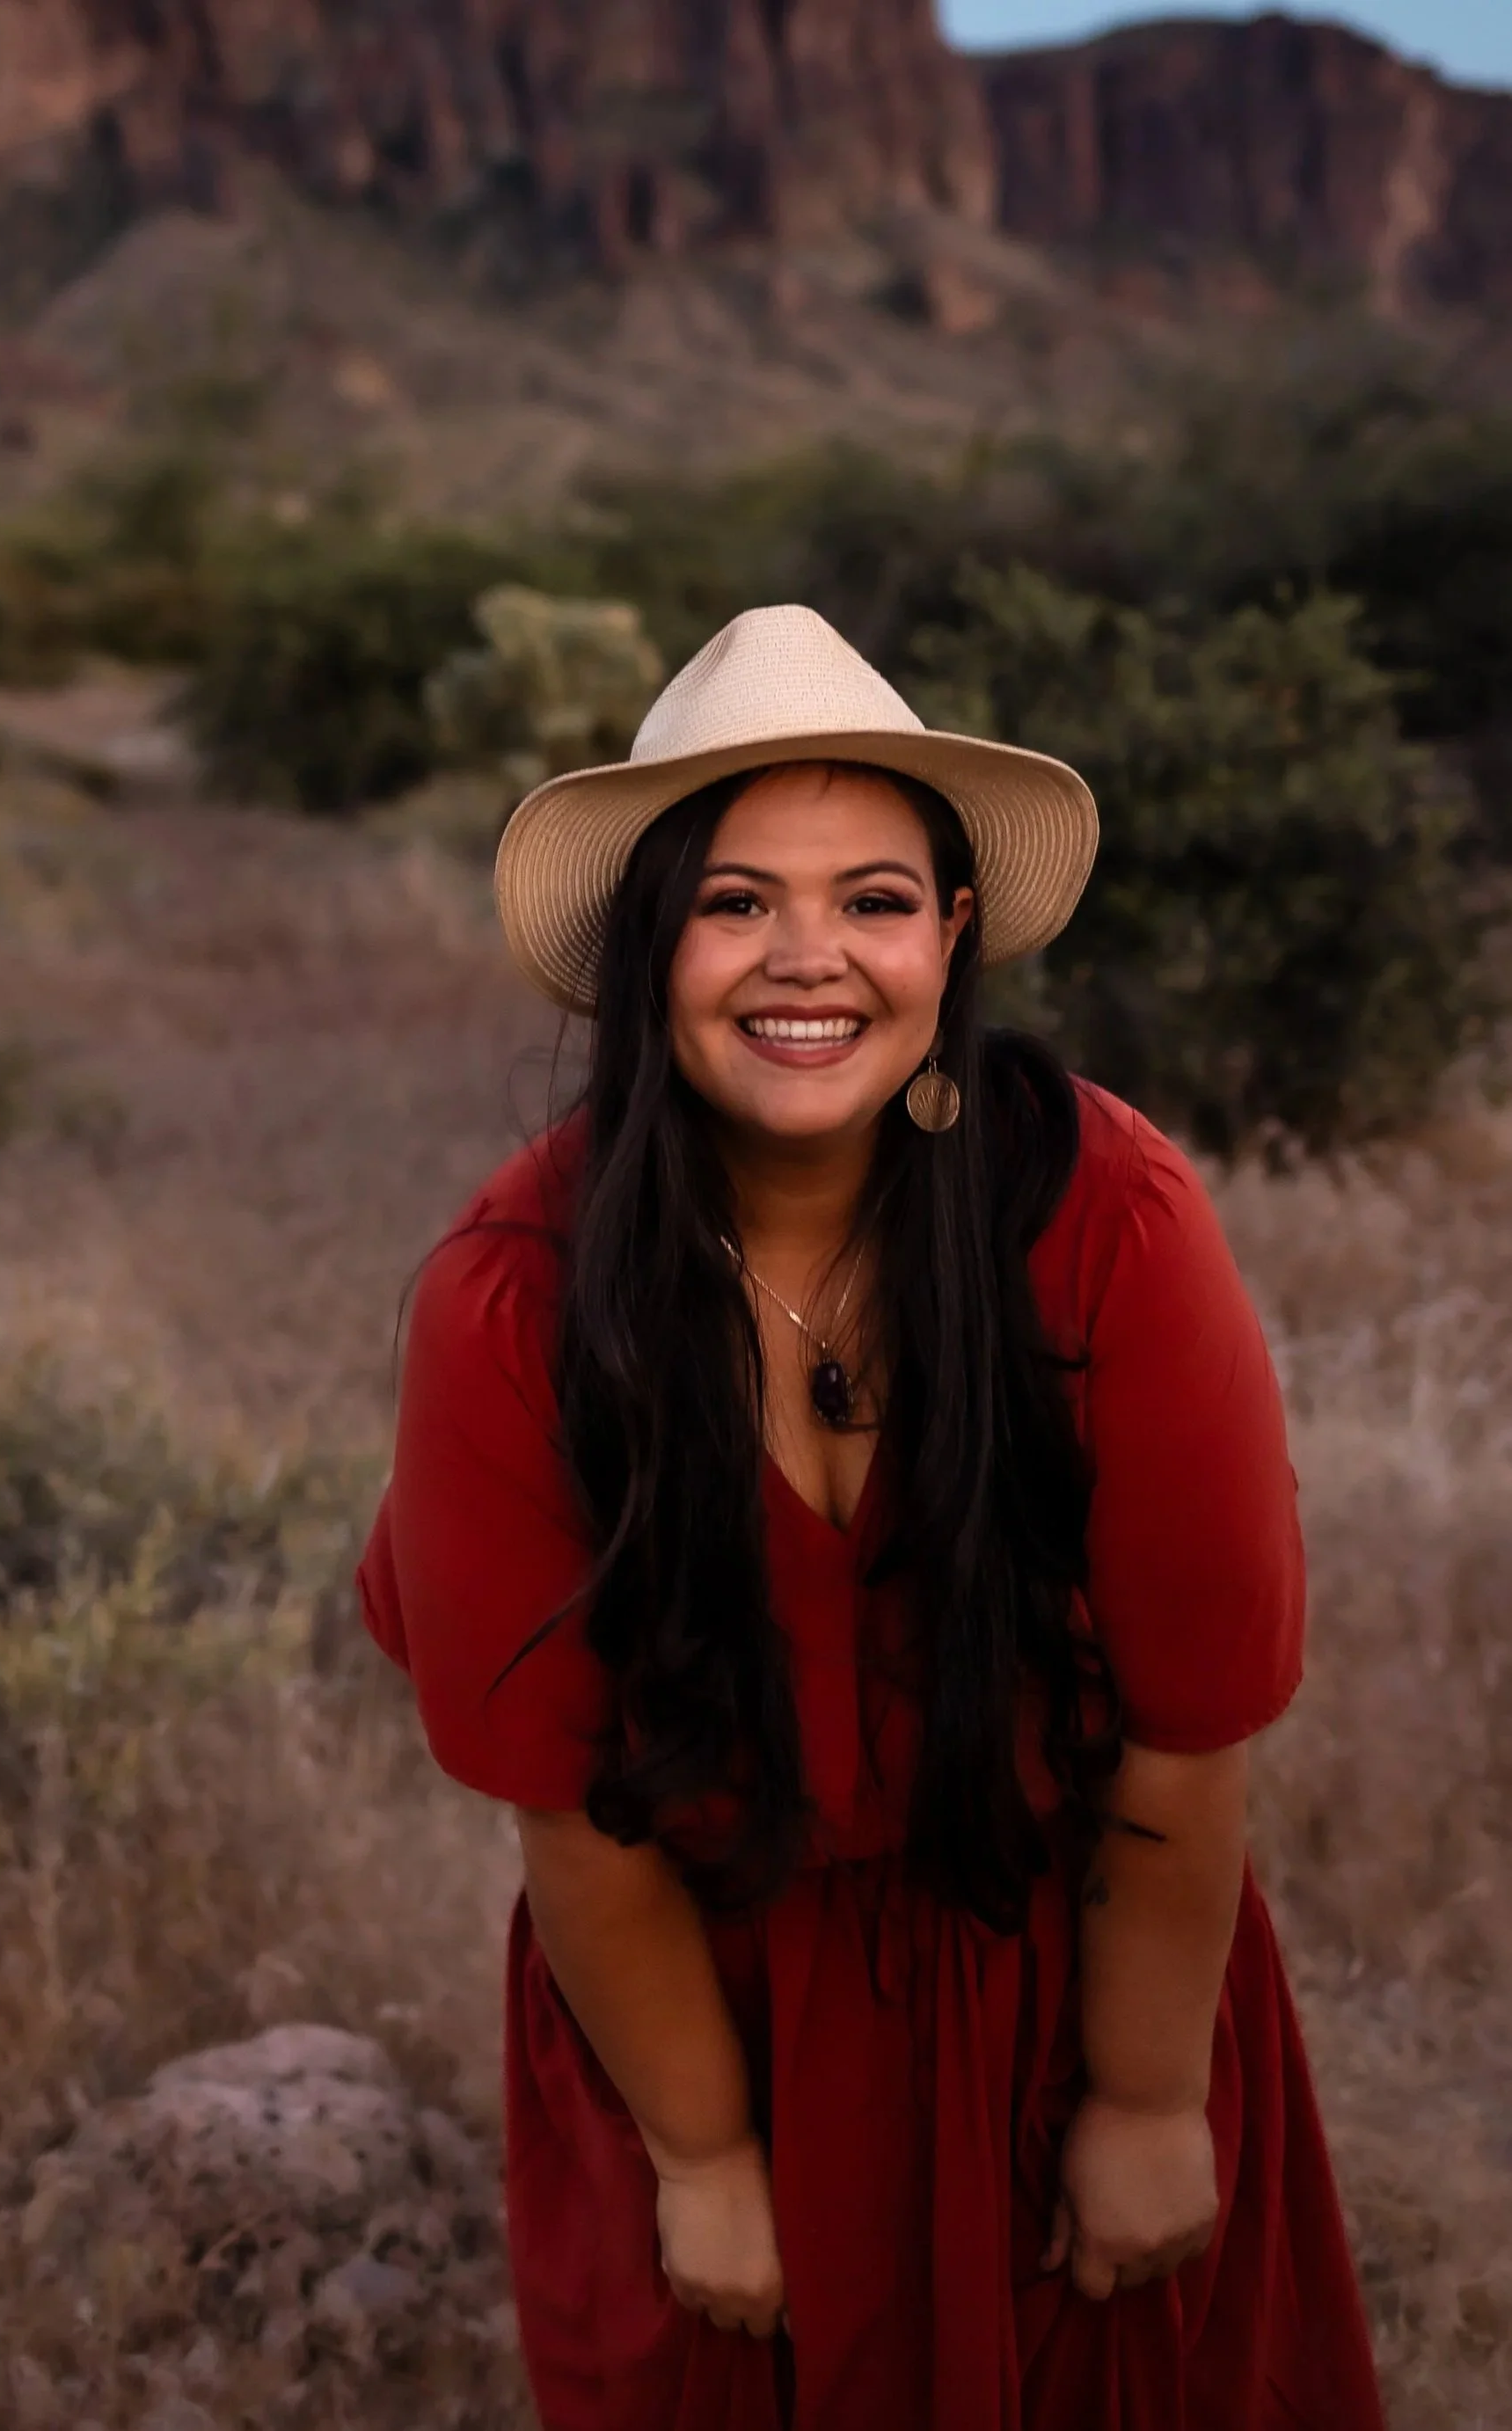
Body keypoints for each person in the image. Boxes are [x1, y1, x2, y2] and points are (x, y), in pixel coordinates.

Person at [356, 605, 1386, 2430]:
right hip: (698, 2002)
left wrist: (1146, 2099)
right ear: (649, 944)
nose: (806, 958)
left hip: (1071, 1968)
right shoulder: (512, 1298)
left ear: (953, 932)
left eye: (874, 900)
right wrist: (701, 2154)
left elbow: (1183, 1727)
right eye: (735, 900)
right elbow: (571, 1811)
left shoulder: (1110, 1221)